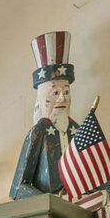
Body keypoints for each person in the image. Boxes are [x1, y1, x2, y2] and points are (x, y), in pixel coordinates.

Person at [8, 31, 74, 200]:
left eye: (66, 91)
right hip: (53, 209)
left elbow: (94, 170)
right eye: (55, 92)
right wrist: (50, 201)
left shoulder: (76, 130)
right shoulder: (39, 132)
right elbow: (18, 188)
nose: (62, 98)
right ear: (41, 98)